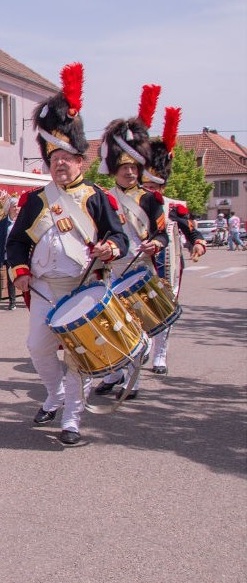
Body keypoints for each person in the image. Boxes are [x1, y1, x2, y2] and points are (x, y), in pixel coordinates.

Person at [6, 63, 128, 446]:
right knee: (37, 347)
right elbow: (16, 244)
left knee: (77, 356)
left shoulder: (97, 198)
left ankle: (72, 421)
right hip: (44, 288)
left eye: (67, 156)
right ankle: (55, 393)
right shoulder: (35, 201)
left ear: (81, 160)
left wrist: (110, 247)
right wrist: (20, 270)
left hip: (83, 287)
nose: (59, 162)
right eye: (53, 156)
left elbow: (119, 237)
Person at [92, 88, 168, 401]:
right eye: (124, 167)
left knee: (134, 325)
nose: (129, 171)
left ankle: (132, 380)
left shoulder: (151, 200)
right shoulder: (102, 198)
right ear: (115, 168)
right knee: (111, 325)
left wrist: (156, 244)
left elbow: (161, 234)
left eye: (134, 167)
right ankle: (114, 372)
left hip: (140, 269)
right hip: (112, 268)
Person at [142, 106, 207, 374]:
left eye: (155, 187)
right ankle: (139, 350)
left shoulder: (173, 206)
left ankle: (161, 355)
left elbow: (190, 229)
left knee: (165, 310)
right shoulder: (131, 204)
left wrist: (198, 242)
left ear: (162, 187)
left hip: (167, 266)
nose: (150, 191)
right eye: (147, 186)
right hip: (138, 265)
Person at [0, 197, 20, 309]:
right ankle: (12, 302)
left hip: (20, 255)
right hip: (8, 255)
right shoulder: (3, 224)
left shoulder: (22, 222)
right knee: (10, 278)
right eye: (14, 206)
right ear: (9, 208)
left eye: (18, 206)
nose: (17, 208)